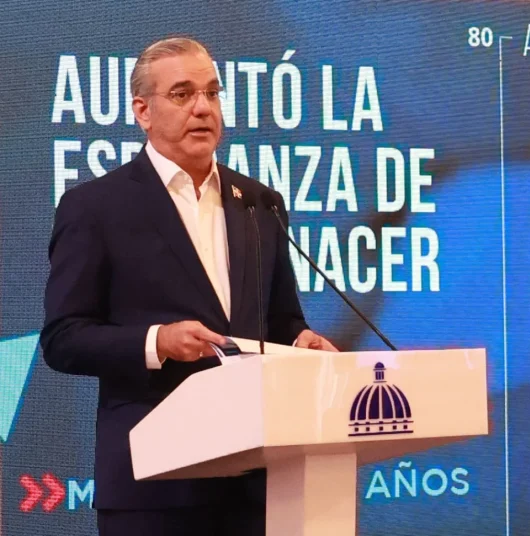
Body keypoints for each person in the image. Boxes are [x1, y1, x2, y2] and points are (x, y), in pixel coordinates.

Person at [40, 36, 337, 536]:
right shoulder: (95, 207)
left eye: (212, 93)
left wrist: (300, 342)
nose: (202, 108)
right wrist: (157, 341)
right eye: (182, 94)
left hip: (257, 482)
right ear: (143, 111)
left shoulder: (258, 202)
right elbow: (63, 338)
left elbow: (281, 320)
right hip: (154, 487)